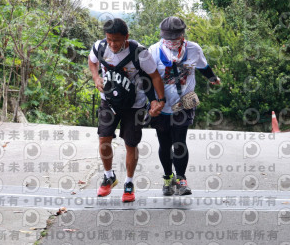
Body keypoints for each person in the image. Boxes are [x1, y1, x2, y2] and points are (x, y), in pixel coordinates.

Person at [88, 18, 166, 202]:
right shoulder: (100, 47)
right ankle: (109, 176)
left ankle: (129, 183)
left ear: (126, 37)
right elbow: (92, 62)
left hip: (134, 105)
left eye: (116, 40)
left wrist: (160, 100)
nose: (112, 44)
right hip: (108, 101)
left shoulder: (140, 53)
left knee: (131, 143)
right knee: (104, 138)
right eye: (109, 39)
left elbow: (155, 76)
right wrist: (96, 78)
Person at [148, 16, 221, 196]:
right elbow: (147, 77)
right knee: (164, 143)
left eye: (175, 37)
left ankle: (181, 179)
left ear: (182, 35)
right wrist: (152, 101)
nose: (172, 41)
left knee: (179, 142)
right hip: (161, 105)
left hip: (184, 103)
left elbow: (203, 66)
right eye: (168, 37)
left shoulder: (194, 49)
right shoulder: (154, 51)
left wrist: (213, 78)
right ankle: (168, 178)